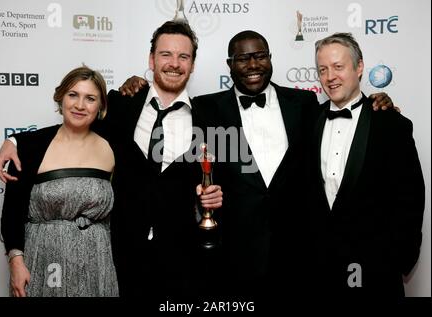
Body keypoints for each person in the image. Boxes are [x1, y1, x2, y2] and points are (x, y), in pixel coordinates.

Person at [118, 30, 395, 296]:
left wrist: (378, 103)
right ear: (229, 65)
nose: (253, 64)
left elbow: (348, 115)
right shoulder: (205, 109)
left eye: (261, 56)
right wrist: (137, 85)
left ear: (271, 59)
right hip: (232, 260)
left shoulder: (304, 103)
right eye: (242, 58)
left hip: (300, 256)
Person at [0, 21, 222, 297]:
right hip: (118, 256)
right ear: (151, 59)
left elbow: (220, 184)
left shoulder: (209, 120)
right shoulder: (120, 105)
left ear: (193, 64)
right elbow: (72, 127)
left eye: (183, 56)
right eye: (166, 54)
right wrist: (15, 140)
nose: (174, 63)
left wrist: (211, 198)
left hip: (181, 257)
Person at [309, 32, 424, 297]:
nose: (330, 77)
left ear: (359, 67)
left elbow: (410, 199)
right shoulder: (309, 120)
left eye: (339, 67)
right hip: (320, 270)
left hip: (375, 271)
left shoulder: (392, 125)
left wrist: (395, 262)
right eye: (323, 69)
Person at [0, 66, 118, 297]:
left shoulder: (113, 146)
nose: (80, 105)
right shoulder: (29, 147)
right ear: (61, 98)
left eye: (90, 98)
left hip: (98, 263)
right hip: (43, 260)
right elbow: (12, 212)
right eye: (73, 95)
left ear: (101, 106)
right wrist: (16, 262)